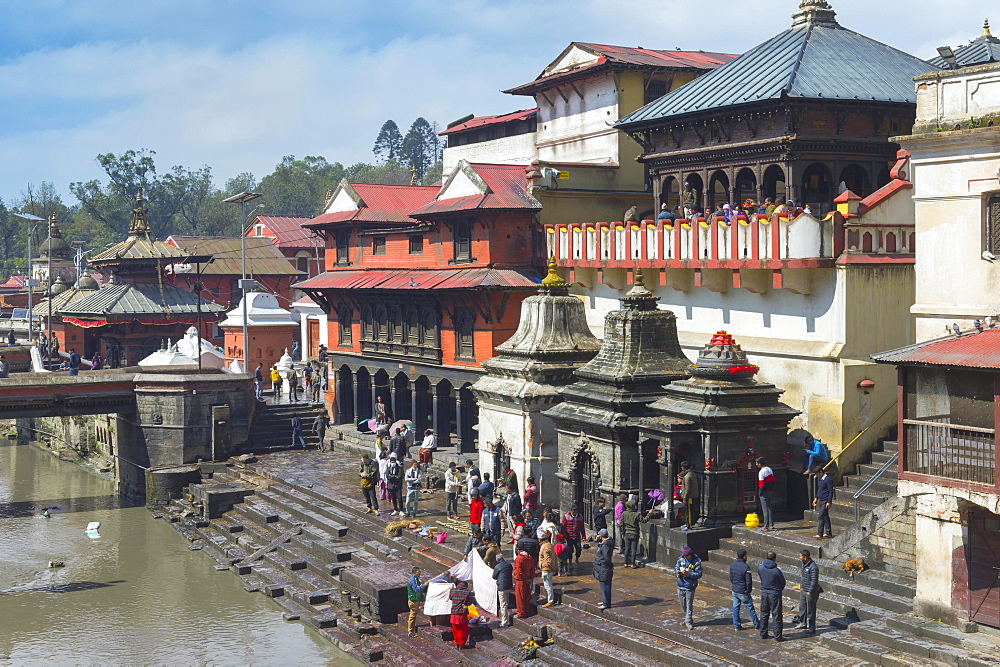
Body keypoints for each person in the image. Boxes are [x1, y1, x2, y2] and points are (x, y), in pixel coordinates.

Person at [758, 550, 786, 641]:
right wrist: (778, 589)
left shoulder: (761, 568)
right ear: (775, 559)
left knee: (764, 614)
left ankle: (763, 633)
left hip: (764, 593)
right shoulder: (776, 571)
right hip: (774, 594)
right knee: (776, 615)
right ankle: (778, 636)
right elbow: (783, 583)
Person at [730, 549, 760, 631]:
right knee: (750, 608)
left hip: (735, 589)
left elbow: (731, 578)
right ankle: (757, 625)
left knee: (735, 608)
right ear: (744, 557)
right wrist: (748, 590)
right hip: (743, 591)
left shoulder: (732, 565)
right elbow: (748, 581)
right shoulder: (746, 567)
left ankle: (737, 626)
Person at [675, 547, 703, 630]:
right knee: (683, 605)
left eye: (686, 556)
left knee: (689, 604)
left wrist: (689, 574)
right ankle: (689, 619)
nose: (685, 558)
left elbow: (699, 574)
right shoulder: (680, 559)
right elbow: (676, 567)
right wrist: (677, 573)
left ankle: (687, 621)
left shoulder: (696, 561)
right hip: (681, 584)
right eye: (684, 556)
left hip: (690, 586)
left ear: (690, 555)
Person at [621, 501, 652, 567]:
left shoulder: (624, 513)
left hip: (627, 533)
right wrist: (649, 514)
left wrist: (622, 533)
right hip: (634, 533)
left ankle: (626, 563)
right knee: (633, 549)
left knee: (627, 548)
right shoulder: (636, 514)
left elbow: (622, 524)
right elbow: (644, 520)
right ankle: (633, 564)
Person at [796, 549, 820, 634]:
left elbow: (814, 580)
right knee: (802, 608)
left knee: (811, 610)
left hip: (810, 592)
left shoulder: (813, 567)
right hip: (803, 589)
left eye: (801, 556)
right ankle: (802, 623)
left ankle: (812, 627)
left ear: (805, 557)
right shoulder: (804, 564)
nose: (799, 557)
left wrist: (810, 591)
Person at [448, 579, 476, 648]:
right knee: (463, 630)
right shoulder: (467, 592)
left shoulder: (453, 591)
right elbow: (468, 603)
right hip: (461, 613)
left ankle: (457, 643)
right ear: (465, 586)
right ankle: (461, 644)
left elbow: (450, 598)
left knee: (455, 629)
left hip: (453, 613)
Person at [593, 528, 615, 610]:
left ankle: (606, 603)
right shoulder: (604, 543)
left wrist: (610, 565)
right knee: (603, 586)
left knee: (605, 586)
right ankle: (604, 600)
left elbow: (606, 558)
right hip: (601, 567)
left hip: (604, 568)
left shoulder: (605, 546)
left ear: (601, 536)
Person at [812, 466, 834, 538]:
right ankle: (828, 532)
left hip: (825, 500)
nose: (817, 476)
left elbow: (831, 491)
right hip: (821, 500)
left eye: (817, 474)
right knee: (825, 516)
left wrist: (829, 501)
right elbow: (819, 489)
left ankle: (820, 533)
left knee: (821, 516)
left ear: (821, 472)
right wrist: (816, 498)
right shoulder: (820, 479)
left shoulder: (828, 480)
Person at [492, 554, 514, 627]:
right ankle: (506, 617)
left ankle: (504, 622)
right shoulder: (509, 564)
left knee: (503, 604)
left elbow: (494, 576)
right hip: (509, 585)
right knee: (506, 603)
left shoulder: (497, 566)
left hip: (502, 587)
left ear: (497, 560)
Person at [513, 549, 535, 618]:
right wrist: (530, 578)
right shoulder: (529, 557)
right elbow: (532, 569)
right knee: (526, 596)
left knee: (520, 597)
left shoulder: (519, 558)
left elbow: (519, 571)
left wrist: (525, 579)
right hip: (528, 579)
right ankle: (526, 610)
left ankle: (521, 613)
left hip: (521, 580)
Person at [406, 566, 427, 637]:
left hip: (416, 599)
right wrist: (424, 585)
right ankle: (410, 631)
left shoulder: (416, 579)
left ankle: (411, 630)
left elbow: (419, 590)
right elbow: (416, 589)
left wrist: (422, 597)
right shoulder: (413, 580)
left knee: (413, 615)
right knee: (412, 616)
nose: (420, 573)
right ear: (414, 572)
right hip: (413, 600)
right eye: (419, 572)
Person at [756, 457, 776, 531]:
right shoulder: (769, 469)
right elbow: (773, 480)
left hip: (764, 492)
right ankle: (771, 524)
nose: (756, 464)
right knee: (770, 508)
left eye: (757, 463)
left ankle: (765, 526)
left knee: (765, 509)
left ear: (760, 463)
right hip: (770, 490)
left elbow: (761, 484)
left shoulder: (761, 472)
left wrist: (760, 492)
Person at [538, 530, 557, 607]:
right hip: (549, 568)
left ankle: (550, 600)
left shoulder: (545, 547)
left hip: (547, 569)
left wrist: (544, 566)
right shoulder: (549, 545)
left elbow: (548, 559)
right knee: (548, 585)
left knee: (548, 586)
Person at [679, 461, 700, 530]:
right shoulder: (692, 473)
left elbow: (687, 489)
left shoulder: (687, 477)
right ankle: (687, 523)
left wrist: (685, 498)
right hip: (693, 495)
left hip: (690, 496)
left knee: (689, 511)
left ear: (683, 468)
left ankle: (689, 525)